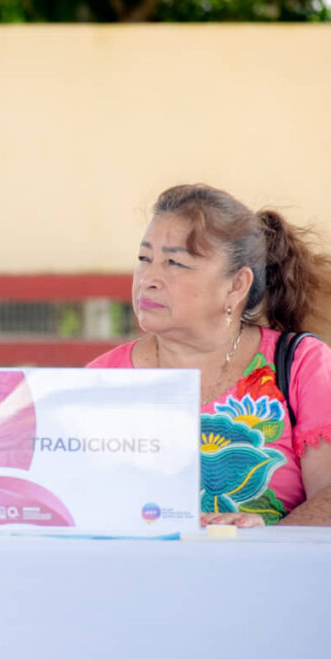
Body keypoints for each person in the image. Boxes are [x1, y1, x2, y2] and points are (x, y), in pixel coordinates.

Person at [88, 184, 331, 527]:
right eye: (144, 259)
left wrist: (265, 542)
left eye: (174, 262)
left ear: (236, 286)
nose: (149, 279)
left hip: (269, 579)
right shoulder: (101, 380)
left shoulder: (301, 365)